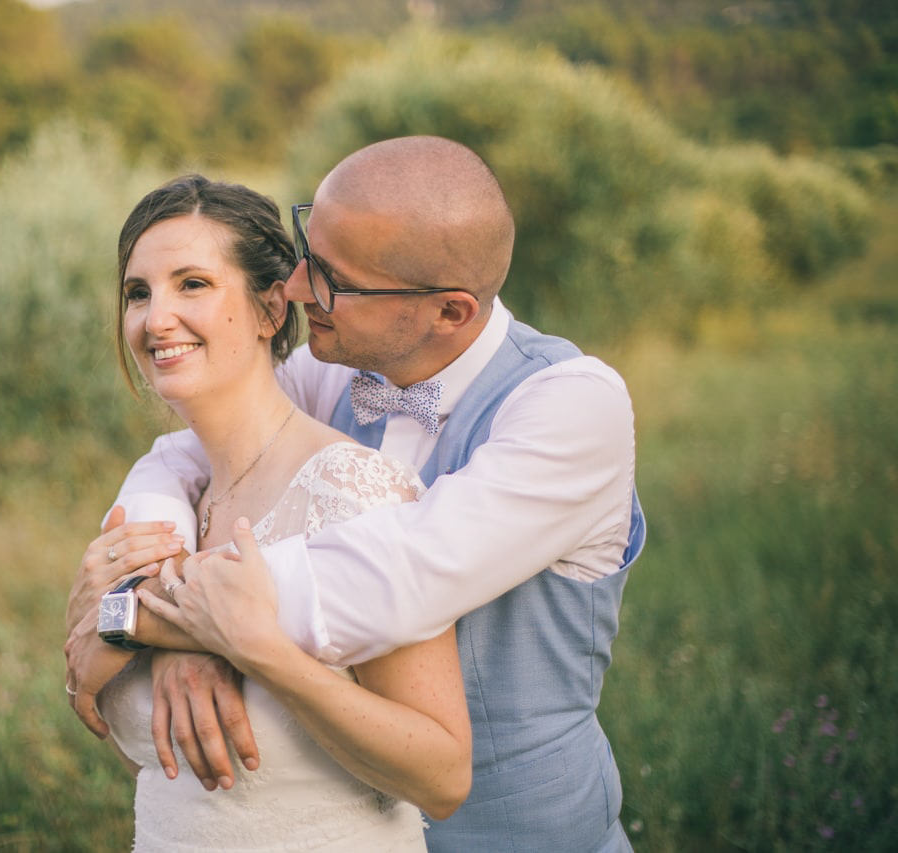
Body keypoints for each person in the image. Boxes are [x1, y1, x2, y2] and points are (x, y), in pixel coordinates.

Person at [69, 136, 646, 852]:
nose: (299, 287)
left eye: (335, 280)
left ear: (450, 312)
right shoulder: (334, 369)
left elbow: (391, 578)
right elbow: (182, 453)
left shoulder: (570, 405)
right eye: (311, 250)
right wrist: (157, 556)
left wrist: (151, 613)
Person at [65, 174, 472, 850]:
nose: (155, 317)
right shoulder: (164, 495)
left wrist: (255, 650)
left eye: (192, 283)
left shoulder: (356, 490)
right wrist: (142, 633)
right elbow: (104, 700)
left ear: (269, 310)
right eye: (138, 292)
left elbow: (444, 776)